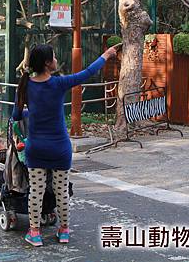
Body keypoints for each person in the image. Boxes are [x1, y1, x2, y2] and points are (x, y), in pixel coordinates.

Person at [12, 43, 118, 247]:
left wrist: (32, 112)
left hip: (36, 148)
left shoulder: (25, 86)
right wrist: (105, 54)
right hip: (60, 148)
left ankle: (34, 233)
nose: (57, 60)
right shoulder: (59, 83)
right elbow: (86, 73)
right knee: (61, 191)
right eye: (54, 57)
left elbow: (16, 115)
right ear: (47, 63)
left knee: (36, 191)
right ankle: (64, 231)